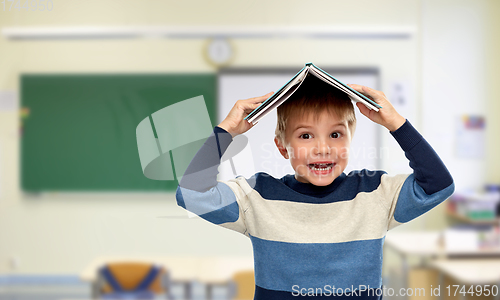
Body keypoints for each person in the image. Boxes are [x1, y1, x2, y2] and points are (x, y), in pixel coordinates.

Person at [175, 76, 454, 299]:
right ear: (283, 147)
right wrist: (227, 131)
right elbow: (191, 194)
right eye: (306, 135)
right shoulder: (257, 196)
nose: (323, 148)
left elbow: (438, 185)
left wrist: (396, 124)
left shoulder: (374, 193)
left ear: (350, 140)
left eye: (335, 134)